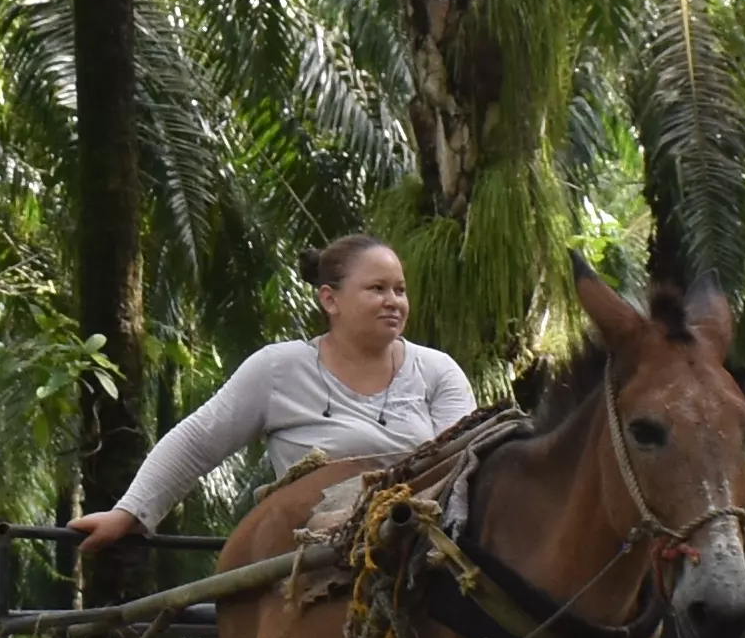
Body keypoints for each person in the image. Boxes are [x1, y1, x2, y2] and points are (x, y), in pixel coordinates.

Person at [70, 236, 478, 562]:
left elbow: (463, 464)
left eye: (400, 290)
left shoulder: (437, 371)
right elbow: (197, 442)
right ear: (329, 300)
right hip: (321, 552)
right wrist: (127, 514)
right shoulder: (278, 369)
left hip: (423, 543)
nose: (394, 301)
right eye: (377, 289)